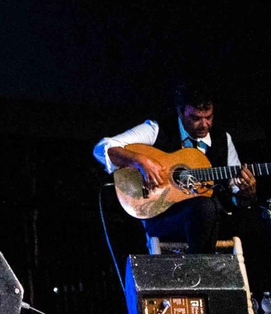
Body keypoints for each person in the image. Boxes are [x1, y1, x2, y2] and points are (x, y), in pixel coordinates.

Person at [93, 83, 255, 254]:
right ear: (180, 112)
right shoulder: (157, 129)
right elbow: (103, 148)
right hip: (164, 218)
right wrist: (141, 162)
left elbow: (236, 195)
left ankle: (201, 271)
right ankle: (201, 272)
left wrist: (246, 193)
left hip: (209, 220)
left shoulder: (222, 140)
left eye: (209, 117)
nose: (204, 125)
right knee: (205, 207)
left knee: (212, 208)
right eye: (195, 118)